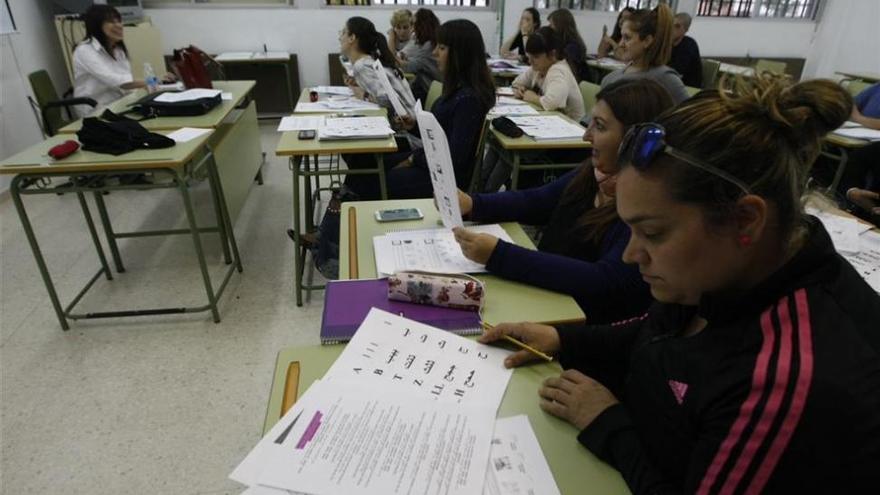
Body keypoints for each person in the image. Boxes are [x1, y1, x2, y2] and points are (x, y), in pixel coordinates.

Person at [480, 74, 880, 493]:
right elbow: (663, 333)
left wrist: (607, 423)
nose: (632, 254)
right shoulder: (732, 267)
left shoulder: (787, 380)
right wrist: (563, 339)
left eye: (651, 233)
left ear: (745, 220)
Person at [454, 79, 673, 323]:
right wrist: (474, 204)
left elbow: (605, 281)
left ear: (634, 140)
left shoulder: (641, 207)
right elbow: (536, 201)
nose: (586, 136)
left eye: (599, 127)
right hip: (545, 297)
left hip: (573, 321)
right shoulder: (594, 173)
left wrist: (500, 255)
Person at [345, 19, 495, 200]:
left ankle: (349, 222)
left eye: (441, 48)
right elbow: (439, 132)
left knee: (364, 182)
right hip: (430, 161)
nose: (434, 53)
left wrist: (413, 159)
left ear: (459, 54)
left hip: (442, 177)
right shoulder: (457, 89)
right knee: (361, 167)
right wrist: (414, 125)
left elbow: (455, 160)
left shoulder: (468, 99)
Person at [481, 26, 586, 192]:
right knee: (497, 145)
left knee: (508, 152)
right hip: (549, 127)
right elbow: (517, 82)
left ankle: (487, 194)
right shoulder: (539, 68)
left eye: (536, 57)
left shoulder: (558, 70)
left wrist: (530, 96)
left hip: (568, 138)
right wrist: (522, 90)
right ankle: (481, 190)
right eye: (530, 57)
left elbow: (551, 103)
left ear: (552, 54)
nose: (532, 62)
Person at [72, 4, 173, 117]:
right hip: (95, 110)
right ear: (97, 25)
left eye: (119, 21)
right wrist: (152, 81)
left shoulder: (118, 50)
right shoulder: (85, 51)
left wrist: (152, 85)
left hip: (118, 104)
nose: (119, 25)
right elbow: (117, 81)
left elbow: (126, 80)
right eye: (112, 21)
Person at [600, 4, 690, 104]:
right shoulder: (610, 79)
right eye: (621, 37)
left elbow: (690, 115)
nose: (620, 44)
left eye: (627, 38)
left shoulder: (665, 79)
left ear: (647, 41)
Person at [339, 17, 416, 118]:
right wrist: (360, 85)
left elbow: (388, 100)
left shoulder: (362, 66)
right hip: (411, 120)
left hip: (405, 127)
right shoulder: (370, 61)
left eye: (343, 32)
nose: (340, 38)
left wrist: (363, 95)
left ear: (352, 37)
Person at [399, 8, 441, 104]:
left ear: (421, 26)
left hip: (429, 90)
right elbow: (417, 61)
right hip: (427, 87)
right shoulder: (427, 41)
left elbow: (409, 67)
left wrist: (391, 41)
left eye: (414, 25)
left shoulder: (428, 45)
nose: (412, 29)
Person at [548, 8, 590, 82]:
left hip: (573, 83)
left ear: (560, 26)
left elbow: (566, 70)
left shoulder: (573, 47)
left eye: (551, 24)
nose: (549, 27)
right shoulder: (559, 42)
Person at [668, 12, 702, 88]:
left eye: (677, 26)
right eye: (671, 25)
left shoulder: (689, 45)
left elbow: (677, 72)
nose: (672, 29)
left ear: (686, 29)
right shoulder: (668, 43)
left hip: (688, 88)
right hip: (672, 84)